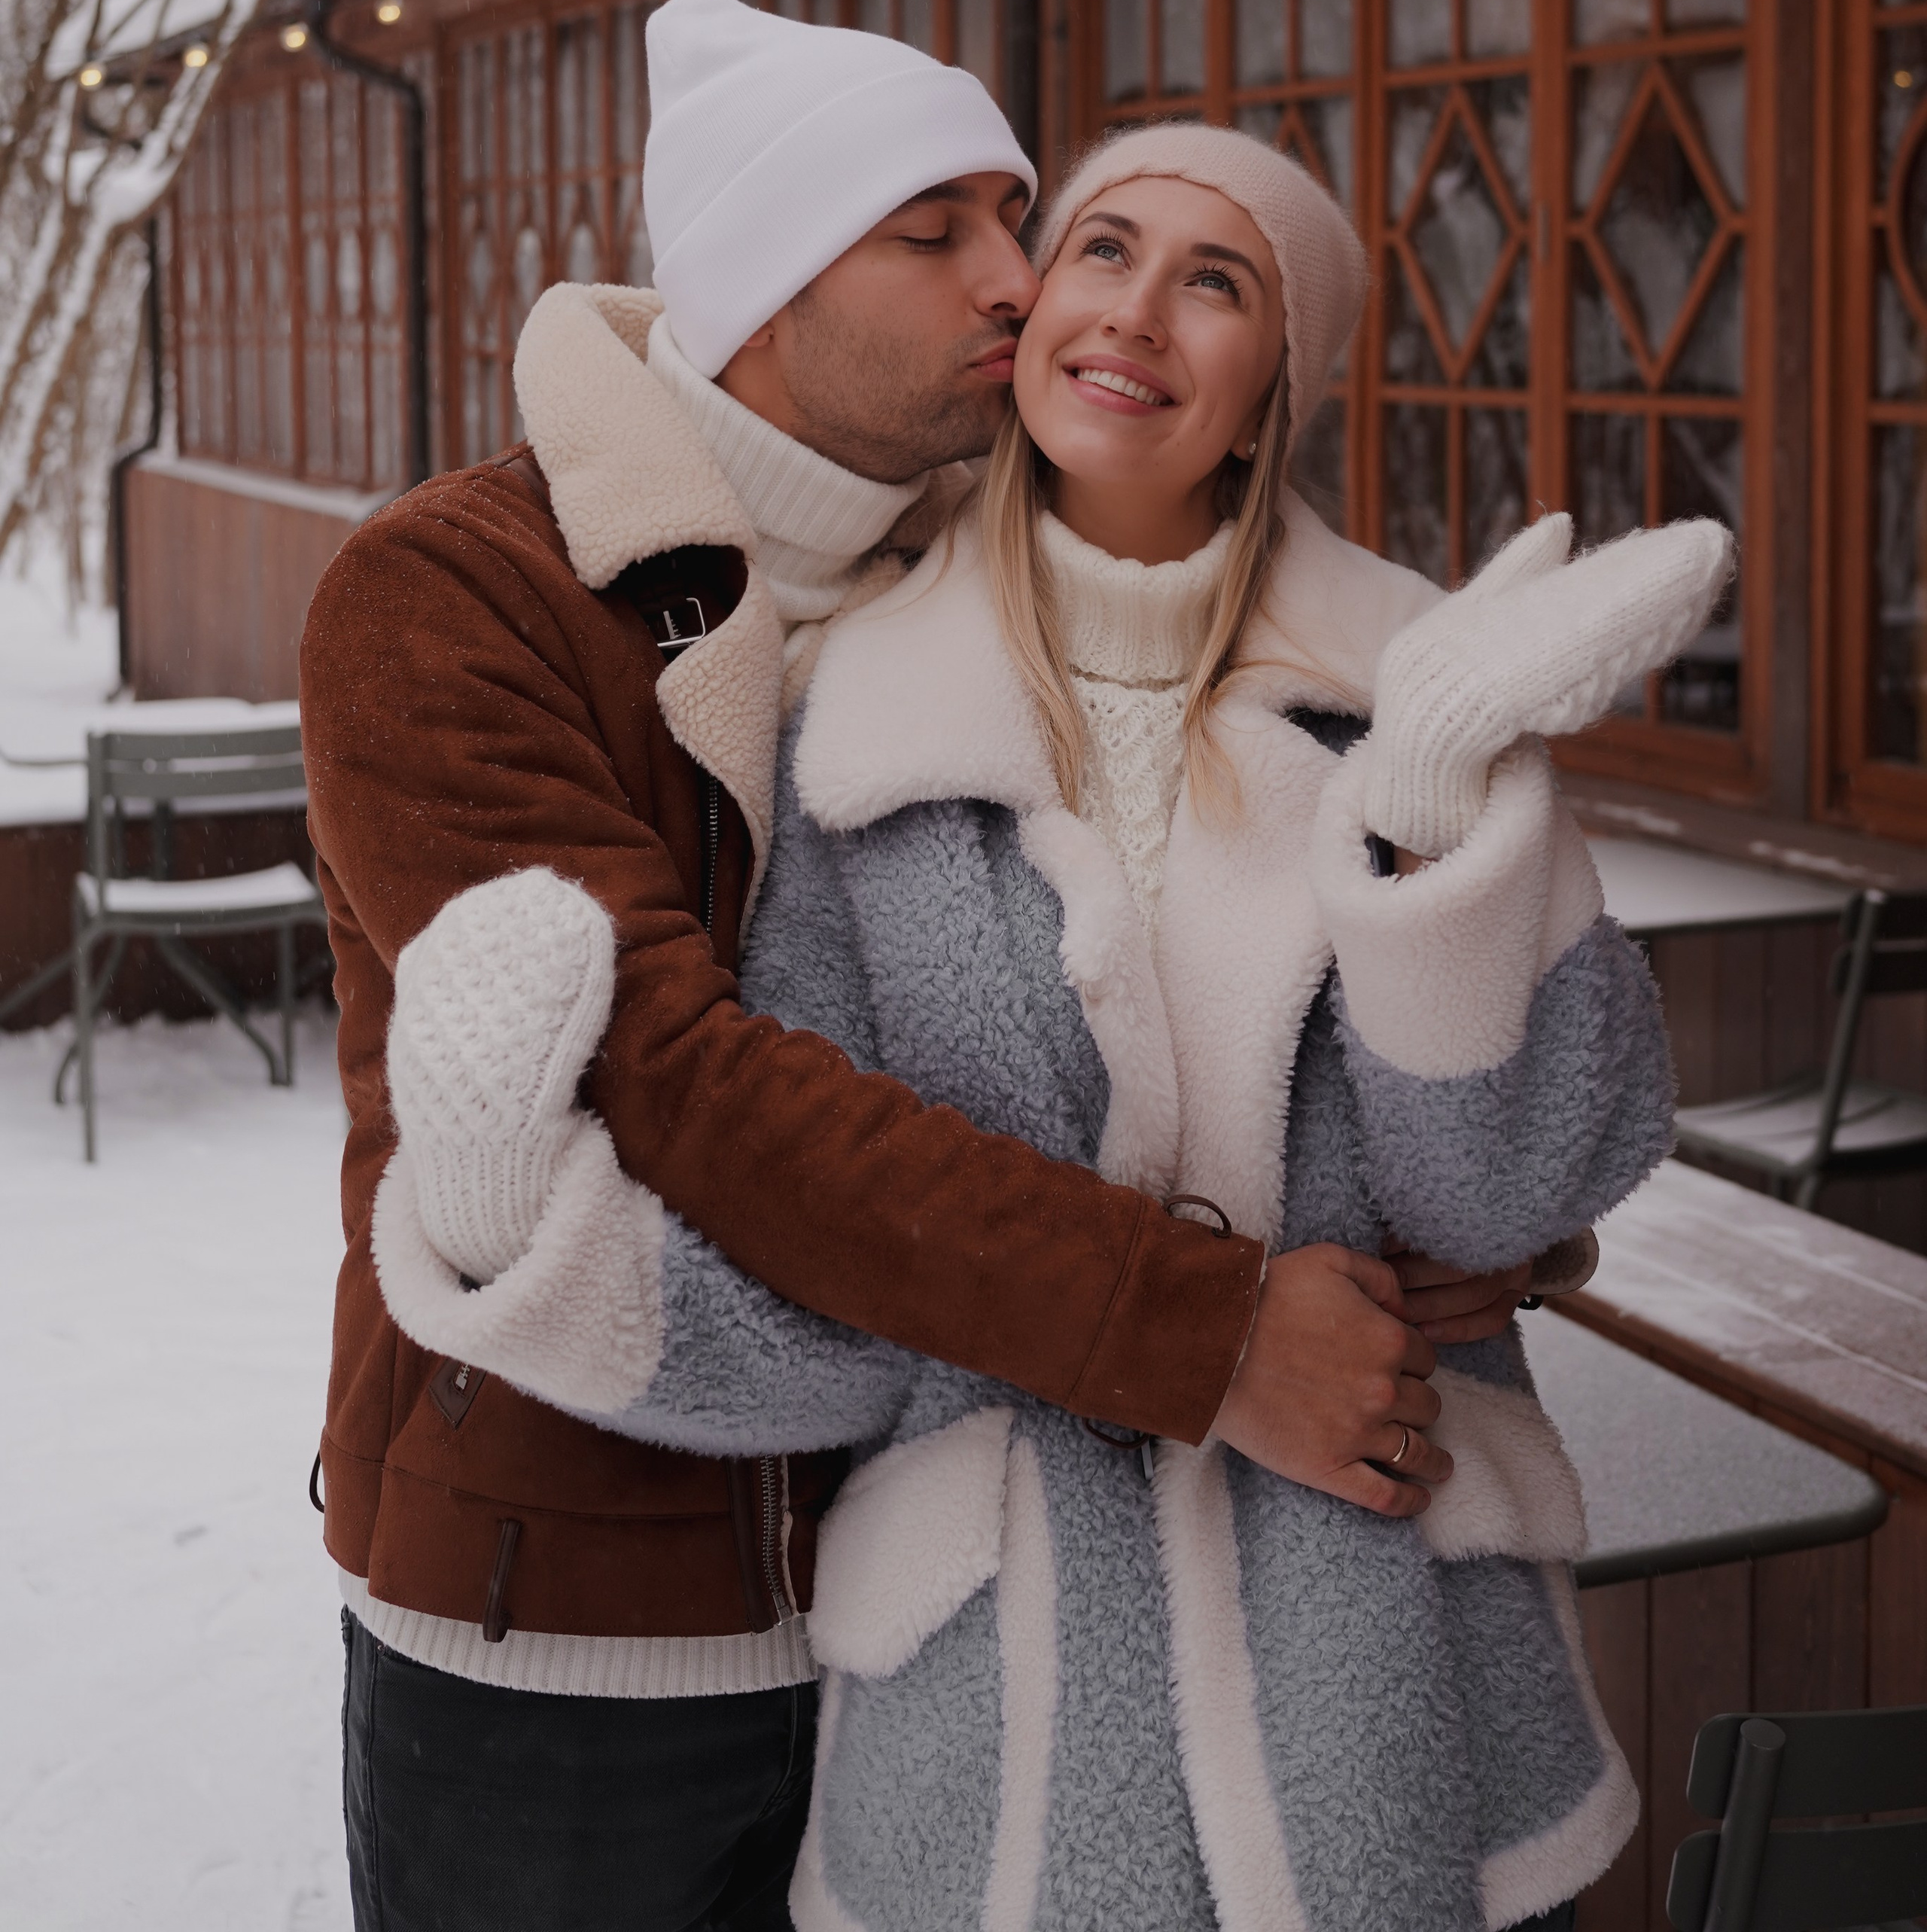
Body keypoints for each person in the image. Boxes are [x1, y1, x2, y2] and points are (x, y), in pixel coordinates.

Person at [374, 117, 1728, 1932]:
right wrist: (506, 1228)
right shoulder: (847, 728)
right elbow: (828, 1298)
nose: (1136, 312)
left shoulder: (1411, 692)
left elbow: (1498, 1202)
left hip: (1391, 1696)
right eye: (1100, 251)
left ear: (1268, 391)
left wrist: (1428, 823)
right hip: (997, 1738)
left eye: (1216, 280)